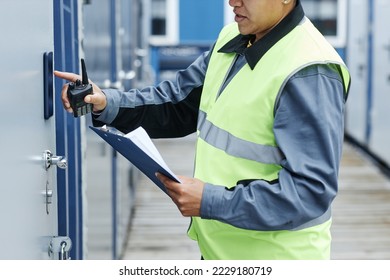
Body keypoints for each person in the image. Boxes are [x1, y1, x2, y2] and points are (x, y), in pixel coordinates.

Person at [55, 0, 351, 260]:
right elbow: (177, 103)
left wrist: (210, 200)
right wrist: (106, 102)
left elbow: (310, 191)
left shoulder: (309, 70)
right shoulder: (233, 37)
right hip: (222, 252)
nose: (232, 2)